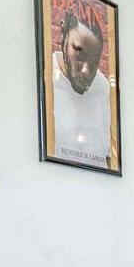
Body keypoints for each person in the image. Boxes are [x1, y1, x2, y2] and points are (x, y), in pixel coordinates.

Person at [50, 9, 112, 166]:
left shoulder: (103, 88)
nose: (86, 71)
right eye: (79, 56)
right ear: (63, 33)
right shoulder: (46, 76)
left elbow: (109, 157)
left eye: (94, 63)